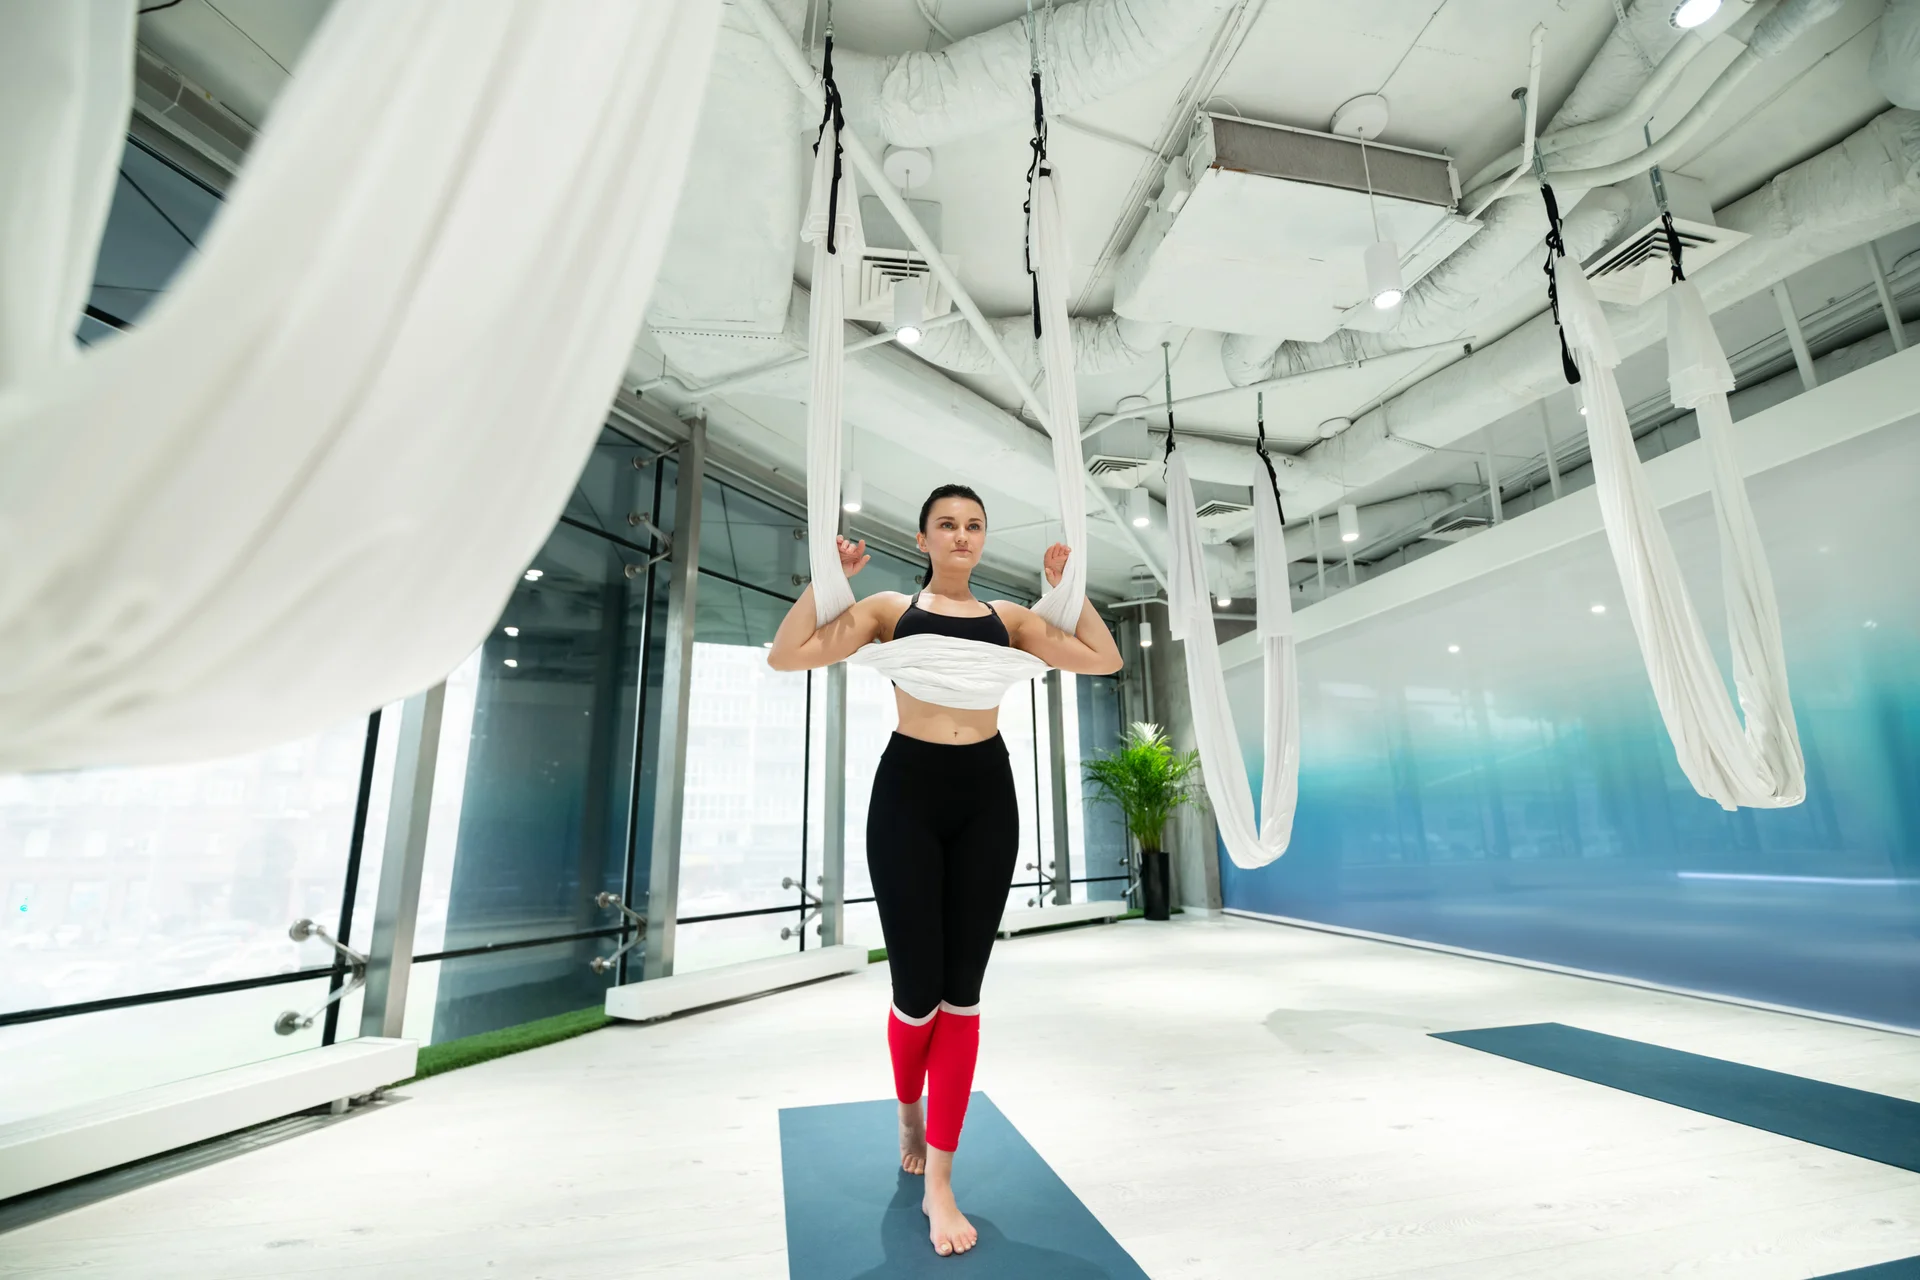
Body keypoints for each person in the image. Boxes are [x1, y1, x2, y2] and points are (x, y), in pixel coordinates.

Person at [768, 483, 1123, 1257]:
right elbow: (787, 653)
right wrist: (828, 581)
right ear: (924, 538)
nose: (962, 537)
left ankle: (941, 1184)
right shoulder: (891, 610)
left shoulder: (1011, 619)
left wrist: (1068, 590)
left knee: (962, 995)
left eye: (973, 526)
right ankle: (907, 1112)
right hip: (908, 798)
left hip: (985, 798)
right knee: (915, 991)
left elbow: (1104, 657)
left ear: (982, 540)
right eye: (947, 526)